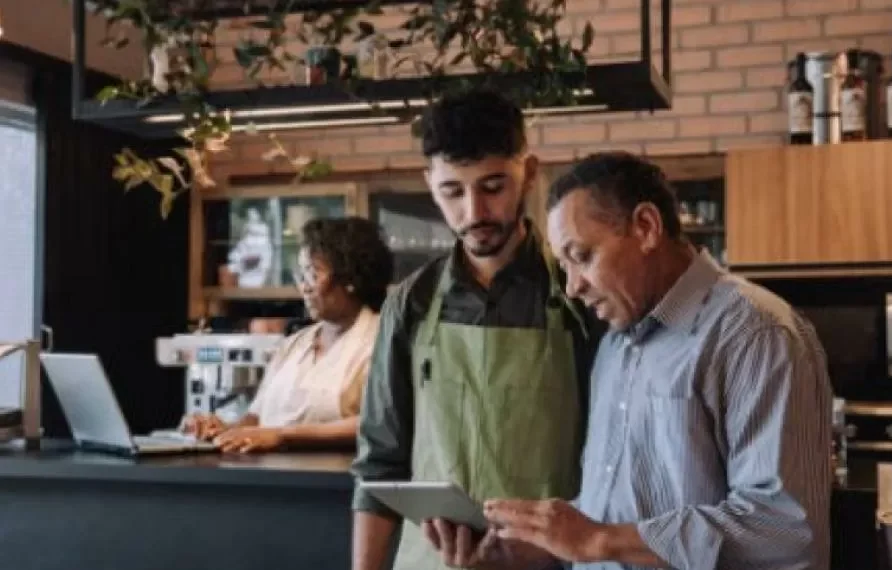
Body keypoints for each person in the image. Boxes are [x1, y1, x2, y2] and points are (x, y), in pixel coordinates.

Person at [479, 152, 834, 569]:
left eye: (583, 256)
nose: (573, 287)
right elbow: (617, 519)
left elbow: (783, 530)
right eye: (564, 266)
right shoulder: (615, 342)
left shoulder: (754, 333)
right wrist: (531, 546)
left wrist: (599, 539)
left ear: (645, 228)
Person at [350, 89, 603, 570]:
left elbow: (615, 463)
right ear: (430, 185)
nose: (474, 213)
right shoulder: (411, 303)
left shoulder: (579, 297)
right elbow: (380, 462)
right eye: (452, 192)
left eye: (493, 187)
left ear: (528, 173)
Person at [183, 216, 394, 453]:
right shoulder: (294, 344)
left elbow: (379, 423)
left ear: (351, 278)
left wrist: (282, 436)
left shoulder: (383, 340)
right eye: (301, 275)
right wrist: (221, 430)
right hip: (272, 480)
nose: (303, 286)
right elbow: (256, 419)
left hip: (334, 482)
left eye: (313, 275)